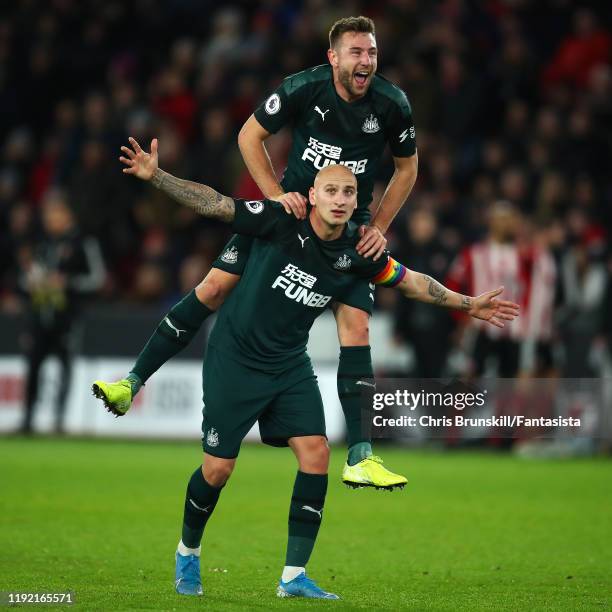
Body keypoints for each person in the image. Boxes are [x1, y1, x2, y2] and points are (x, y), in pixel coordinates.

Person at [93, 138, 519, 599]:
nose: (339, 200)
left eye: (348, 193)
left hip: (288, 363)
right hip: (235, 357)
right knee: (217, 470)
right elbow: (216, 205)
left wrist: (466, 303)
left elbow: (411, 281)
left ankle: (294, 577)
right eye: (331, 191)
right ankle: (188, 552)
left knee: (316, 453)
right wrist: (157, 177)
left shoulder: (358, 251)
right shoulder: (280, 220)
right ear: (313, 195)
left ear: (358, 202)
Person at [96, 15, 419, 489]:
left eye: (371, 52)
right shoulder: (303, 88)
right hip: (288, 221)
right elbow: (249, 136)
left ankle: (362, 455)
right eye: (356, 52)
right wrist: (273, 195)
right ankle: (131, 384)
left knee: (357, 323)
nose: (365, 60)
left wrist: (378, 228)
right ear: (333, 57)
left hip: (345, 230)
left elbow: (406, 170)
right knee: (213, 288)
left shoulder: (392, 104)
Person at [20, 190, 105, 433]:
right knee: (33, 367)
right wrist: (31, 282)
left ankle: (59, 421)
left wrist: (66, 282)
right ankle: (28, 420)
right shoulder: (43, 244)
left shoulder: (83, 242)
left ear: (66, 214)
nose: (48, 219)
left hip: (67, 318)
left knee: (64, 368)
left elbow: (97, 279)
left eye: (52, 213)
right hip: (39, 316)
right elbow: (26, 278)